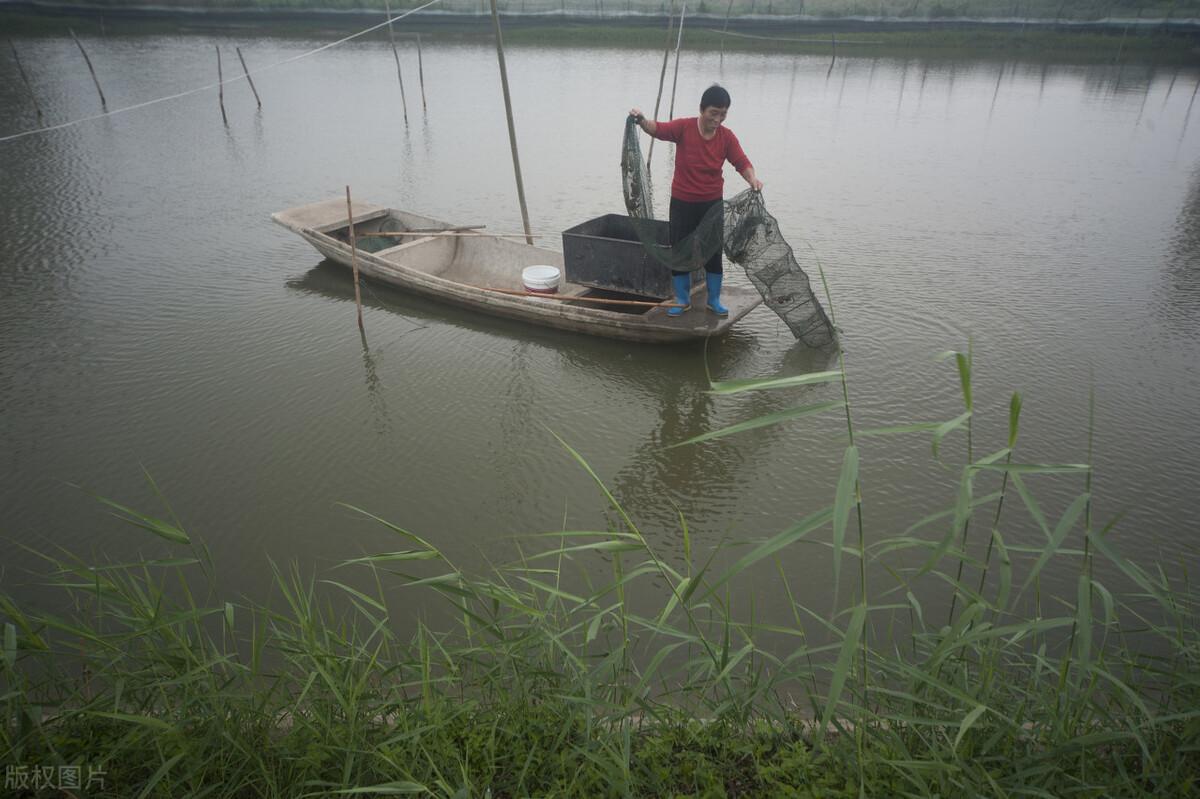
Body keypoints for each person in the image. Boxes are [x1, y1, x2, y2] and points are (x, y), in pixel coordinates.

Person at [629, 84, 763, 317]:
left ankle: (713, 300)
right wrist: (641, 119)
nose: (717, 119)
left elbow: (741, 162)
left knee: (713, 252)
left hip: (711, 205)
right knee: (680, 250)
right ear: (702, 109)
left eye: (723, 114)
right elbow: (657, 129)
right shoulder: (684, 127)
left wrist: (753, 179)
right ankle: (682, 299)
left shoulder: (726, 137)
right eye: (713, 113)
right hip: (682, 202)